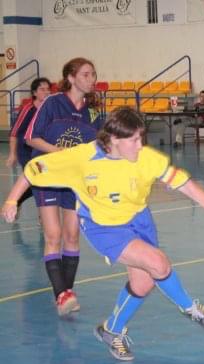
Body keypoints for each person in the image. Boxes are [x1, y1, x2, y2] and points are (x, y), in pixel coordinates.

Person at [2, 107, 204, 361]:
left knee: (143, 283)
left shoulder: (147, 158)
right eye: (134, 139)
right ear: (113, 140)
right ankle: (192, 308)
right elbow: (33, 170)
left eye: (141, 138)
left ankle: (111, 330)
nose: (140, 145)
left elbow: (186, 185)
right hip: (104, 228)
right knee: (158, 263)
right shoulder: (81, 157)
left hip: (139, 220)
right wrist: (12, 201)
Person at [24, 57, 103, 316]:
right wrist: (59, 152)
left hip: (73, 179)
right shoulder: (52, 103)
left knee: (72, 236)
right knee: (54, 235)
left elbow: (97, 148)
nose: (91, 79)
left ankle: (64, 293)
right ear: (71, 77)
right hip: (48, 175)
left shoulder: (93, 112)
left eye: (93, 74)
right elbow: (31, 138)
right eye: (86, 74)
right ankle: (61, 293)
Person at [5, 77, 52, 206]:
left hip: (42, 150)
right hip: (25, 151)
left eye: (48, 89)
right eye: (42, 89)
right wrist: (12, 154)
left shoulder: (50, 109)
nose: (47, 92)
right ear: (34, 93)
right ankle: (16, 202)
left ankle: (17, 201)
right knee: (36, 178)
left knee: (39, 181)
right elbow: (14, 132)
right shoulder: (28, 109)